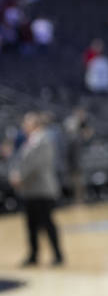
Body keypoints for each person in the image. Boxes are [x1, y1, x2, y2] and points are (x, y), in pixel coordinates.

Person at [8, 112, 63, 267]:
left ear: (35, 125)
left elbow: (37, 165)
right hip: (30, 190)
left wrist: (20, 177)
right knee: (31, 224)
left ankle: (58, 255)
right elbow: (23, 162)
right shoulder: (29, 141)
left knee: (47, 223)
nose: (24, 126)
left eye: (27, 123)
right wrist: (16, 174)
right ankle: (33, 255)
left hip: (42, 189)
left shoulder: (44, 140)